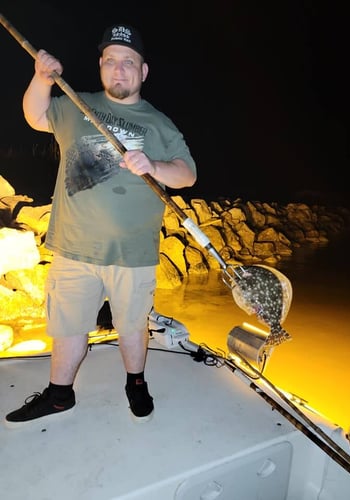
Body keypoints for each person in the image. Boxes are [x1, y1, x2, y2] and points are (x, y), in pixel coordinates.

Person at [5, 23, 197, 426]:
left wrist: (155, 166)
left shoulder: (159, 123)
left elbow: (187, 174)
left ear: (143, 72)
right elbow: (35, 115)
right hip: (73, 246)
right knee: (68, 326)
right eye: (111, 61)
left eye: (129, 62)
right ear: (100, 67)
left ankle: (136, 383)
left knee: (131, 326)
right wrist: (41, 78)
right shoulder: (78, 104)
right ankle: (59, 395)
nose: (119, 69)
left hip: (133, 252)